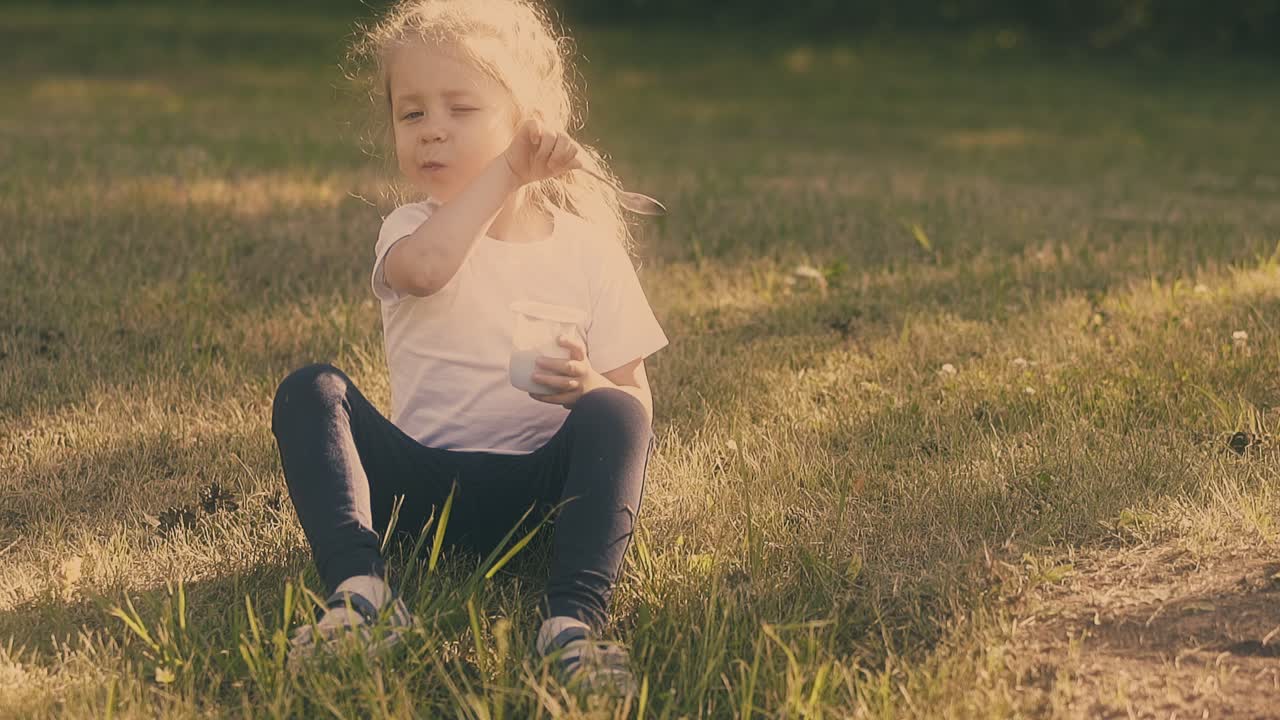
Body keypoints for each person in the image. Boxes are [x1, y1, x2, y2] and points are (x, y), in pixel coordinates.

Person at [269, 0, 668, 696]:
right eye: (412, 113)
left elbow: (633, 398)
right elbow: (427, 272)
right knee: (312, 390)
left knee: (618, 415)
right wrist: (505, 176)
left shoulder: (590, 253)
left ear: (527, 121)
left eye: (460, 109)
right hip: (420, 501)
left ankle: (570, 629)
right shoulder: (409, 228)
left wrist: (587, 391)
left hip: (542, 499)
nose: (433, 133)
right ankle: (363, 596)